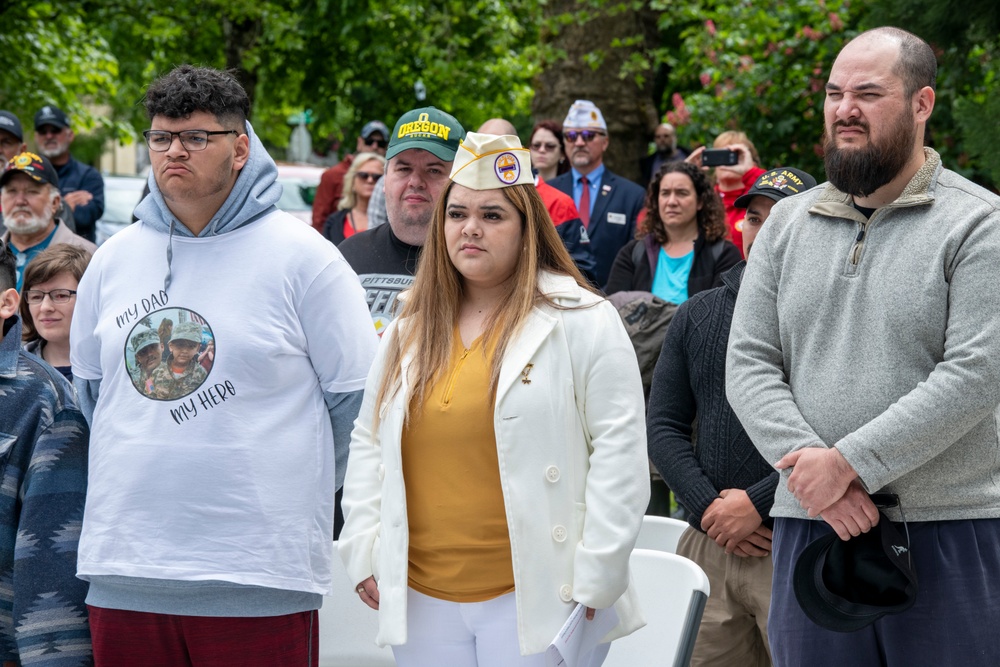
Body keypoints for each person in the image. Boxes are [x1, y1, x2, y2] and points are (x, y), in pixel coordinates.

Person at [70, 65, 377, 666]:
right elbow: (94, 398)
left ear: (240, 148)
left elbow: (357, 407)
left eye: (195, 137)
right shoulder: (112, 261)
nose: (174, 151)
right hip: (125, 570)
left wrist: (287, 486)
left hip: (258, 578)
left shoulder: (306, 259)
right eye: (161, 137)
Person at [726, 27, 1000, 666]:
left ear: (921, 104)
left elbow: (977, 371)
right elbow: (749, 360)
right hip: (811, 524)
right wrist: (812, 472)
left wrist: (849, 464)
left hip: (947, 528)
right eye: (833, 93)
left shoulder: (980, 224)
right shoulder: (787, 224)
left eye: (868, 94)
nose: (843, 109)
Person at [339, 132, 648, 666]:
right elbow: (368, 440)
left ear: (529, 229)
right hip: (420, 594)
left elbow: (620, 454)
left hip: (541, 591)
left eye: (493, 215)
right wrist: (362, 545)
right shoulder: (408, 328)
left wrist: (598, 573)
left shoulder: (584, 321)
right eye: (456, 214)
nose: (471, 228)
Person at [648, 166, 816, 667]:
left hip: (796, 539)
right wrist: (709, 510)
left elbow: (843, 431)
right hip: (709, 542)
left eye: (780, 218)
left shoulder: (836, 319)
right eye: (754, 217)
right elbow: (663, 426)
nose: (761, 230)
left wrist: (758, 504)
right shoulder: (696, 314)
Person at [0, 241, 92, 666]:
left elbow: (49, 557)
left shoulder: (53, 400)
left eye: (61, 294)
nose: (46, 306)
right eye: (38, 295)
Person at [339, 107, 465, 336]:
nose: (415, 181)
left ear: (460, 181)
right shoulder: (347, 256)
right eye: (404, 168)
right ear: (385, 180)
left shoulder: (476, 264)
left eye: (434, 170)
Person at [479, 118, 595, 283]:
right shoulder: (461, 197)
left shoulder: (559, 203)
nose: (486, 154)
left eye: (496, 146)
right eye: (480, 146)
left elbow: (582, 271)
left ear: (517, 151)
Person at [605, 161, 741, 302]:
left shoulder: (724, 255)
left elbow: (721, 315)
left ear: (700, 201)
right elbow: (614, 310)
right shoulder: (632, 254)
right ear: (656, 201)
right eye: (665, 193)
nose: (671, 201)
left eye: (681, 193)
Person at [547, 100, 646, 288]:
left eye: (588, 135)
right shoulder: (547, 192)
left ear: (605, 142)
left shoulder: (632, 195)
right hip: (556, 299)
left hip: (614, 301)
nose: (579, 142)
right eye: (571, 136)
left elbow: (638, 257)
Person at [0, 151, 96, 291]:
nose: (20, 201)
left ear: (55, 202)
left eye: (32, 191)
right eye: (11, 191)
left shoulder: (88, 256)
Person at [19, 243, 92, 382]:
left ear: (90, 298)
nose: (45, 307)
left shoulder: (115, 365)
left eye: (61, 295)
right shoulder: (14, 371)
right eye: (36, 297)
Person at [688, 131, 765, 259]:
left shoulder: (760, 200)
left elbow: (785, 203)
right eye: (721, 155)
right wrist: (684, 175)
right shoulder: (702, 200)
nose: (726, 162)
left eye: (735, 156)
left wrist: (751, 172)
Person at [34, 106, 104, 242]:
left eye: (55, 130)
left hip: (77, 258)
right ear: (36, 137)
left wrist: (40, 207)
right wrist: (65, 205)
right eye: (43, 132)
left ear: (70, 135)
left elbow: (86, 217)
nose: (49, 136)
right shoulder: (26, 175)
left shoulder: (89, 176)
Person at [312, 120, 390, 231]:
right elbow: (319, 221)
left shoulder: (392, 176)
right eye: (369, 141)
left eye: (381, 143)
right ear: (360, 143)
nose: (374, 146)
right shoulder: (332, 175)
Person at [322, 151, 385, 245]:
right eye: (363, 175)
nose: (370, 180)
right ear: (352, 181)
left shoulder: (391, 222)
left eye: (377, 177)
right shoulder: (333, 222)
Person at [146, 320, 210, 400]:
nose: (185, 351)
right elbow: (148, 395)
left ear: (198, 348)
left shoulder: (201, 374)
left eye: (191, 346)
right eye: (180, 345)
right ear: (170, 346)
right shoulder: (157, 372)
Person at [128, 327, 162, 396]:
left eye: (153, 347)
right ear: (138, 358)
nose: (149, 354)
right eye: (143, 351)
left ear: (162, 347)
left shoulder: (175, 371)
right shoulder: (131, 380)